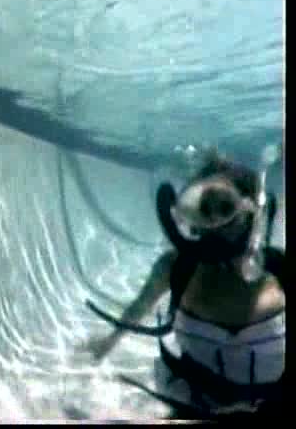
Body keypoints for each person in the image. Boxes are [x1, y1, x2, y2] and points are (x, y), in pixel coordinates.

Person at [83, 151, 285, 414]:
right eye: (205, 209)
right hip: (194, 405)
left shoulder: (280, 269)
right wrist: (108, 343)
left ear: (251, 213)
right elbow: (140, 306)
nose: (214, 222)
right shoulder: (177, 267)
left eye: (226, 208)